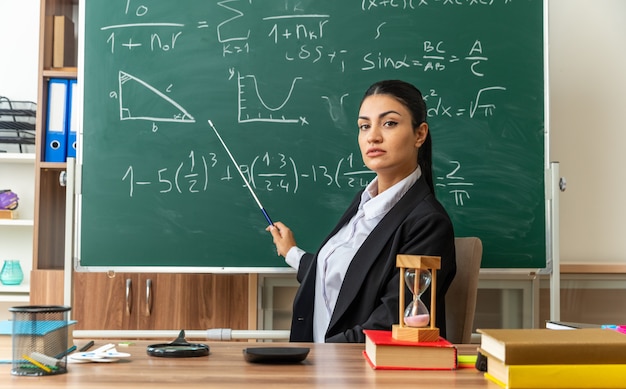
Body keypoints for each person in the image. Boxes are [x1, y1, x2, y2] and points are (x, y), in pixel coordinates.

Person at [267, 80, 456, 343]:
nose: (373, 136)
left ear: (419, 134)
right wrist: (292, 253)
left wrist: (319, 359)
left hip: (362, 373)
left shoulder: (428, 223)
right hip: (321, 368)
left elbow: (391, 324)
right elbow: (349, 276)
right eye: (364, 126)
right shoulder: (363, 203)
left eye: (389, 123)